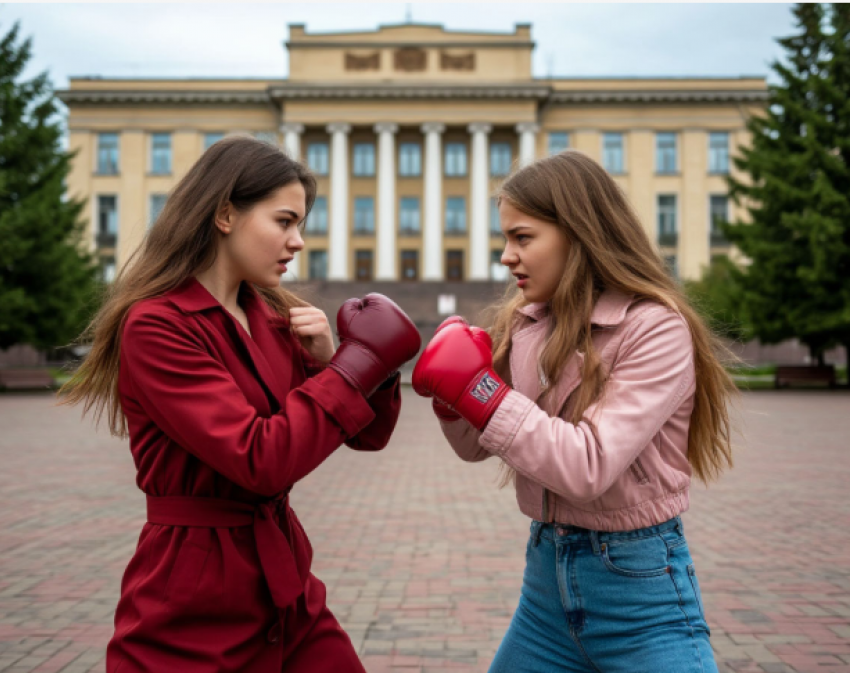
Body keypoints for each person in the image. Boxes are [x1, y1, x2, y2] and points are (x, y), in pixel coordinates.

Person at [60, 136, 421, 672]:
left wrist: (340, 362)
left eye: (301, 224)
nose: (298, 241)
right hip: (194, 596)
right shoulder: (157, 326)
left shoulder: (276, 319)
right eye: (284, 221)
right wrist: (353, 366)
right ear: (225, 214)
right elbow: (261, 459)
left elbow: (368, 435)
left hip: (286, 586)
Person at [412, 150, 736, 673]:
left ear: (578, 232)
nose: (506, 257)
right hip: (544, 593)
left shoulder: (654, 329)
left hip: (640, 598)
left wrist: (480, 391)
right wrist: (453, 403)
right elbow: (476, 445)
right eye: (505, 240)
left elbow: (587, 466)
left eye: (522, 237)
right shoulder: (527, 322)